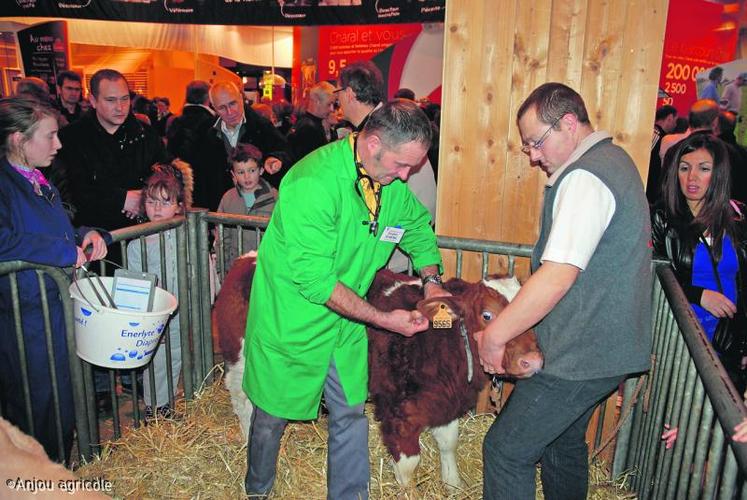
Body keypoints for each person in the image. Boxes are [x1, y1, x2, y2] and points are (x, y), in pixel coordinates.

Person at [242, 100, 449, 498]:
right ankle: (257, 490)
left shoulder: (389, 187)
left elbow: (417, 226)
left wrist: (431, 279)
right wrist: (385, 319)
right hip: (294, 320)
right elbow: (317, 282)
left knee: (351, 411)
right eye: (402, 165)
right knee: (272, 413)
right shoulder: (313, 183)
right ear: (373, 144)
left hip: (346, 321)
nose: (406, 176)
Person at [475, 83, 652, 499]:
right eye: (528, 148)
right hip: (601, 349)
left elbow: (558, 276)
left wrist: (496, 335)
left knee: (505, 451)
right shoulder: (612, 162)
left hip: (581, 354)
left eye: (536, 142)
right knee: (561, 443)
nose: (534, 156)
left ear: (568, 124)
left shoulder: (586, 177)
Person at [0, 98, 109, 462]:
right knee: (35, 404)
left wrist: (88, 235)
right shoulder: (4, 185)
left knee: (62, 398)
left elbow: (54, 228)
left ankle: (58, 465)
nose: (58, 144)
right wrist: (60, 253)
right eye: (50, 136)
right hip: (24, 316)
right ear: (18, 139)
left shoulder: (35, 178)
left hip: (52, 306)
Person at [651, 133, 747, 390]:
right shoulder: (661, 217)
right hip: (677, 342)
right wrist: (698, 295)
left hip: (726, 343)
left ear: (719, 174)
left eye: (703, 168)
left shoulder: (739, 218)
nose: (692, 177)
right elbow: (651, 276)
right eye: (684, 168)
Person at [126, 160, 193, 420]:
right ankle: (154, 407)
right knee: (155, 358)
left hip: (181, 307)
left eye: (165, 202)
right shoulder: (137, 243)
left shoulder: (185, 233)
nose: (157, 208)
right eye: (152, 201)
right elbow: (136, 285)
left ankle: (166, 403)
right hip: (155, 312)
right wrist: (147, 317)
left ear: (178, 206)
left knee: (176, 354)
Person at [197, 81, 290, 208]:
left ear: (241, 98)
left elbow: (285, 151)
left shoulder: (262, 126)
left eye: (232, 103)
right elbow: (202, 180)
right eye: (222, 108)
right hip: (221, 209)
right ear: (213, 107)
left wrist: (275, 158)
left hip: (259, 207)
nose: (230, 112)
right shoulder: (205, 134)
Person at [216, 143, 277, 268]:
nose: (247, 176)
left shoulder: (274, 198)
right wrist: (221, 267)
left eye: (252, 170)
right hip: (237, 266)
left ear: (261, 170)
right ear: (233, 174)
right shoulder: (228, 199)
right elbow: (222, 236)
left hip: (266, 266)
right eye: (241, 172)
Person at [287, 81, 336, 161]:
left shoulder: (305, 123)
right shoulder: (309, 128)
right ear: (317, 101)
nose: (332, 109)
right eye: (329, 104)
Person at [647, 105, 678, 205]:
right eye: (675, 120)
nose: (676, 124)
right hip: (648, 187)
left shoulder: (655, 133)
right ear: (670, 118)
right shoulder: (655, 134)